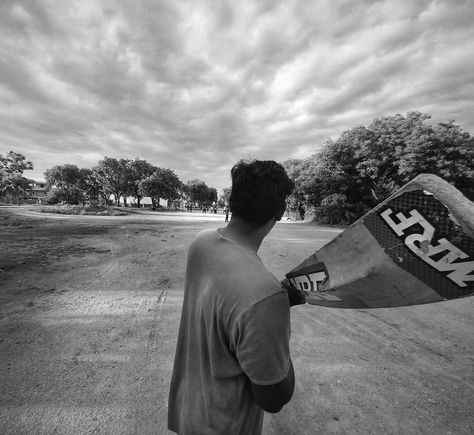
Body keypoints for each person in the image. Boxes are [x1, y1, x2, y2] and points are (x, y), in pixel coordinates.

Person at [168, 160, 305, 435]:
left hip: (189, 410)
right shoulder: (264, 297)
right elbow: (273, 398)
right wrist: (276, 319)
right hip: (224, 426)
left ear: (231, 203)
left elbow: (226, 305)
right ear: (280, 212)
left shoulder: (201, 243)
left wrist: (277, 300)